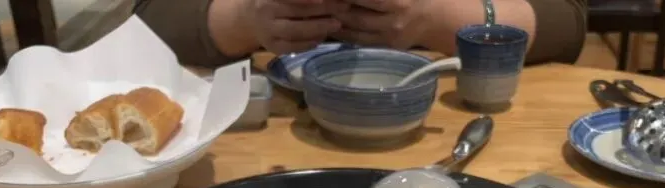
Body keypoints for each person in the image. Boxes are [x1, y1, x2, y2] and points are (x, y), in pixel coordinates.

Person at [138, 0, 586, 69]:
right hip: (257, 134)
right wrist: (247, 18)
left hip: (453, 120)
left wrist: (433, 16)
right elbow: (146, 20)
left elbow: (565, 24)